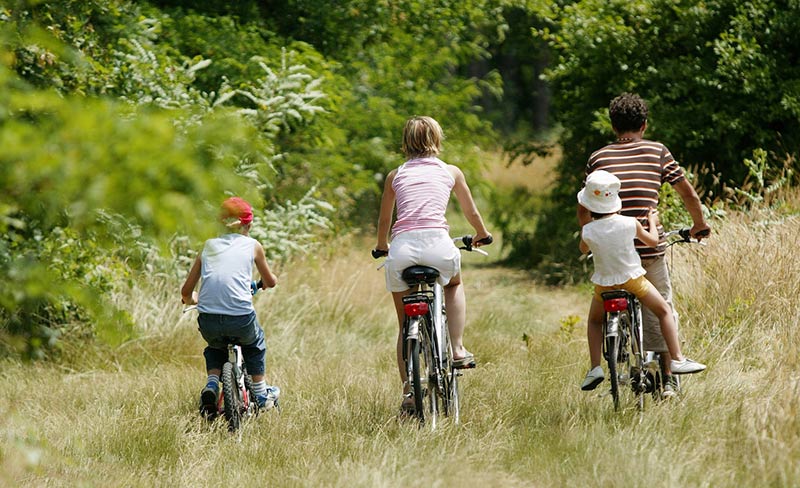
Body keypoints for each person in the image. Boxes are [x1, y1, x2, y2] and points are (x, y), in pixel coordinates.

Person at [577, 92, 711, 397]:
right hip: (647, 251)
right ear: (644, 125)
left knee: (600, 310)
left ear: (613, 126)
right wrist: (699, 225)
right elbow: (688, 193)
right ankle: (669, 377)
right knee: (662, 307)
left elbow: (584, 208)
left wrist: (593, 236)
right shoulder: (658, 151)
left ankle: (610, 361)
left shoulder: (598, 158)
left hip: (610, 255)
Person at [373, 115, 492, 413]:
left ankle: (408, 393)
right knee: (454, 283)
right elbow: (471, 212)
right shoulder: (450, 171)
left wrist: (381, 246)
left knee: (404, 325)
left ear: (405, 142)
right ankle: (457, 348)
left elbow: (385, 219)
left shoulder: (395, 175)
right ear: (436, 139)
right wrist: (482, 234)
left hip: (402, 250)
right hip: (438, 246)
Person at [577, 171, 705, 392]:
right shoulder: (630, 223)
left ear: (589, 206)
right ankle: (677, 359)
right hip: (633, 281)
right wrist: (652, 222)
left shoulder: (588, 230)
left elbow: (583, 249)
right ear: (615, 201)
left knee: (595, 321)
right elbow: (653, 241)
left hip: (604, 286)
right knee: (664, 311)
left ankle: (595, 368)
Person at [181, 196, 280, 414]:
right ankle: (261, 393)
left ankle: (211, 385)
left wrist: (193, 299)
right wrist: (267, 282)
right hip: (241, 318)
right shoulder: (253, 246)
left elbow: (186, 292)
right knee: (255, 344)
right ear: (249, 225)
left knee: (215, 348)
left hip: (209, 319)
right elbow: (271, 281)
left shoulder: (207, 246)